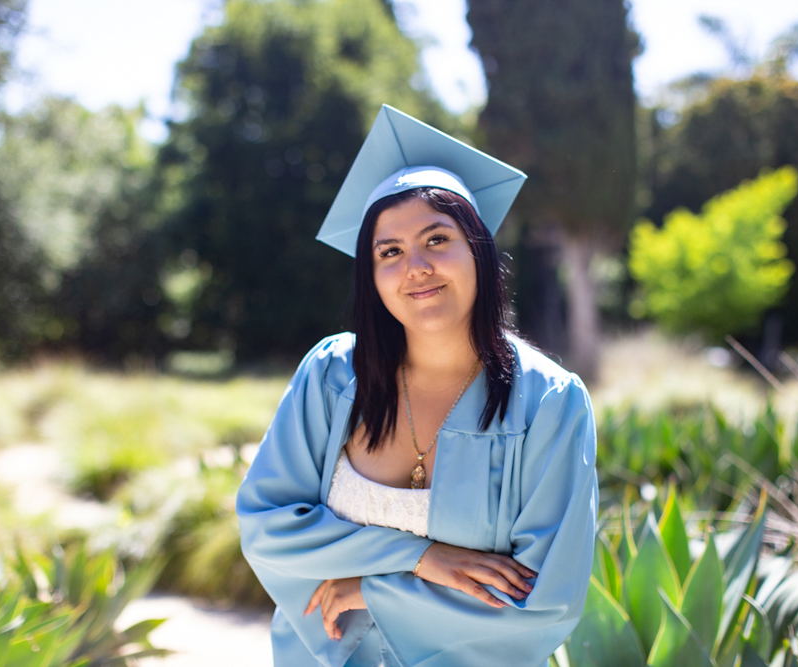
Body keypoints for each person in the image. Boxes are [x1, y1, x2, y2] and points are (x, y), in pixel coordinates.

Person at [237, 105, 598, 667]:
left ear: (477, 248)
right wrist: (420, 558)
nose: (416, 267)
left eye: (437, 239)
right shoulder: (332, 375)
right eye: (390, 252)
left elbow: (545, 601)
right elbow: (267, 526)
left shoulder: (549, 403)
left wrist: (370, 587)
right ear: (371, 273)